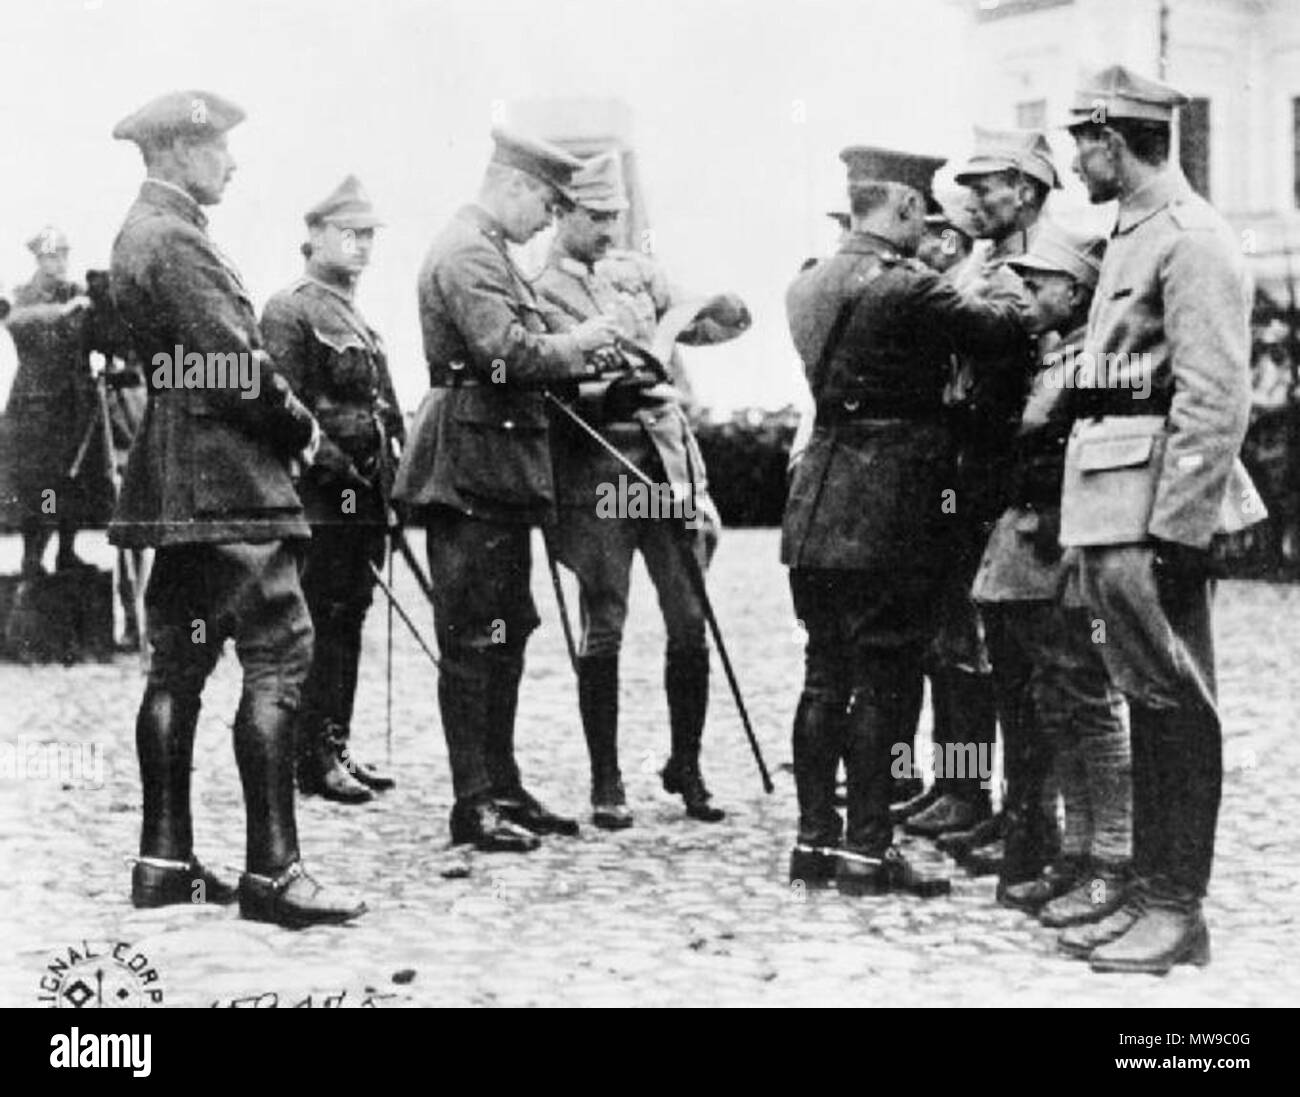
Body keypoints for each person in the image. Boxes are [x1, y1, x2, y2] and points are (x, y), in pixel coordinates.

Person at [109, 89, 364, 927]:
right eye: (217, 147)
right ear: (179, 152)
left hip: (173, 484)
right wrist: (299, 426)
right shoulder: (178, 239)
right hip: (229, 482)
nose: (231, 161)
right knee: (280, 651)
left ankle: (165, 860)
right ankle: (274, 873)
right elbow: (233, 367)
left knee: (177, 663)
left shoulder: (137, 234)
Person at [1057, 65, 1263, 973]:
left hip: (1152, 514)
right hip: (1111, 505)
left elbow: (1216, 398)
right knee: (1146, 701)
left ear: (1115, 138)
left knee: (1178, 707)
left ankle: (1178, 907)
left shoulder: (1192, 238)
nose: (1072, 160)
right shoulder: (1134, 232)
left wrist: (1181, 530)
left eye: (1080, 140)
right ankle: (1150, 893)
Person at [782, 146, 1027, 897]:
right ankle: (869, 851)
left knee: (824, 676)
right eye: (921, 209)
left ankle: (814, 842)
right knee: (885, 680)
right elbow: (1006, 331)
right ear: (900, 207)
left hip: (817, 500)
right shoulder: (912, 288)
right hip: (890, 506)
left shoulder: (808, 283)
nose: (927, 222)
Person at [392, 128, 620, 852]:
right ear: (514, 186)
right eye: (547, 205)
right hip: (466, 464)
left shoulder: (489, 251)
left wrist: (578, 343)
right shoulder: (466, 251)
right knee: (470, 636)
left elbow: (528, 337)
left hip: (498, 467)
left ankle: (502, 781)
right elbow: (506, 353)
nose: (549, 221)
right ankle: (473, 800)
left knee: (507, 628)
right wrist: (582, 345)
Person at [534, 151, 749, 828]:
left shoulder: (637, 272)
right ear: (561, 212)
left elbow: (716, 327)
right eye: (594, 216)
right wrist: (605, 387)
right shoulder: (540, 289)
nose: (607, 230)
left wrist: (715, 303)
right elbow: (544, 382)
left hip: (664, 462)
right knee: (606, 620)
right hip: (601, 466)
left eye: (614, 216)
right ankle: (606, 777)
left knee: (690, 620)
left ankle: (686, 764)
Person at [969, 224, 1133, 918]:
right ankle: (1076, 854)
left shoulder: (1093, 363)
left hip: (1074, 549)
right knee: (1058, 699)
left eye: (1039, 284)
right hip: (1043, 552)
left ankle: (1112, 862)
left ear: (1075, 291)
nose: (1027, 294)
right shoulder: (1048, 357)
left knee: (1089, 703)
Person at [905, 128, 1056, 860]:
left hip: (1012, 471)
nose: (972, 200)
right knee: (957, 643)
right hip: (963, 472)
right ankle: (965, 787)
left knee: (1016, 655)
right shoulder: (979, 263)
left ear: (1024, 188)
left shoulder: (1051, 259)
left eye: (985, 185)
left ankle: (1025, 815)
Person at [262, 176, 402, 805]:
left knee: (349, 615)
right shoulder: (290, 308)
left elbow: (381, 403)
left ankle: (335, 745)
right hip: (320, 491)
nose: (362, 245)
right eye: (349, 233)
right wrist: (332, 462)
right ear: (314, 236)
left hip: (365, 493)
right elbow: (282, 406)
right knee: (318, 618)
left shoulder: (354, 312)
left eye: (369, 235)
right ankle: (310, 757)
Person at [3, 227, 98, 577]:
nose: (59, 262)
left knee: (72, 480)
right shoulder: (22, 295)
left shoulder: (78, 292)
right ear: (38, 258)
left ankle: (67, 551)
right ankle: (33, 556)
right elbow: (13, 321)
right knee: (40, 483)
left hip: (73, 403)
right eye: (52, 255)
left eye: (63, 254)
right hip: (36, 405)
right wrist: (64, 311)